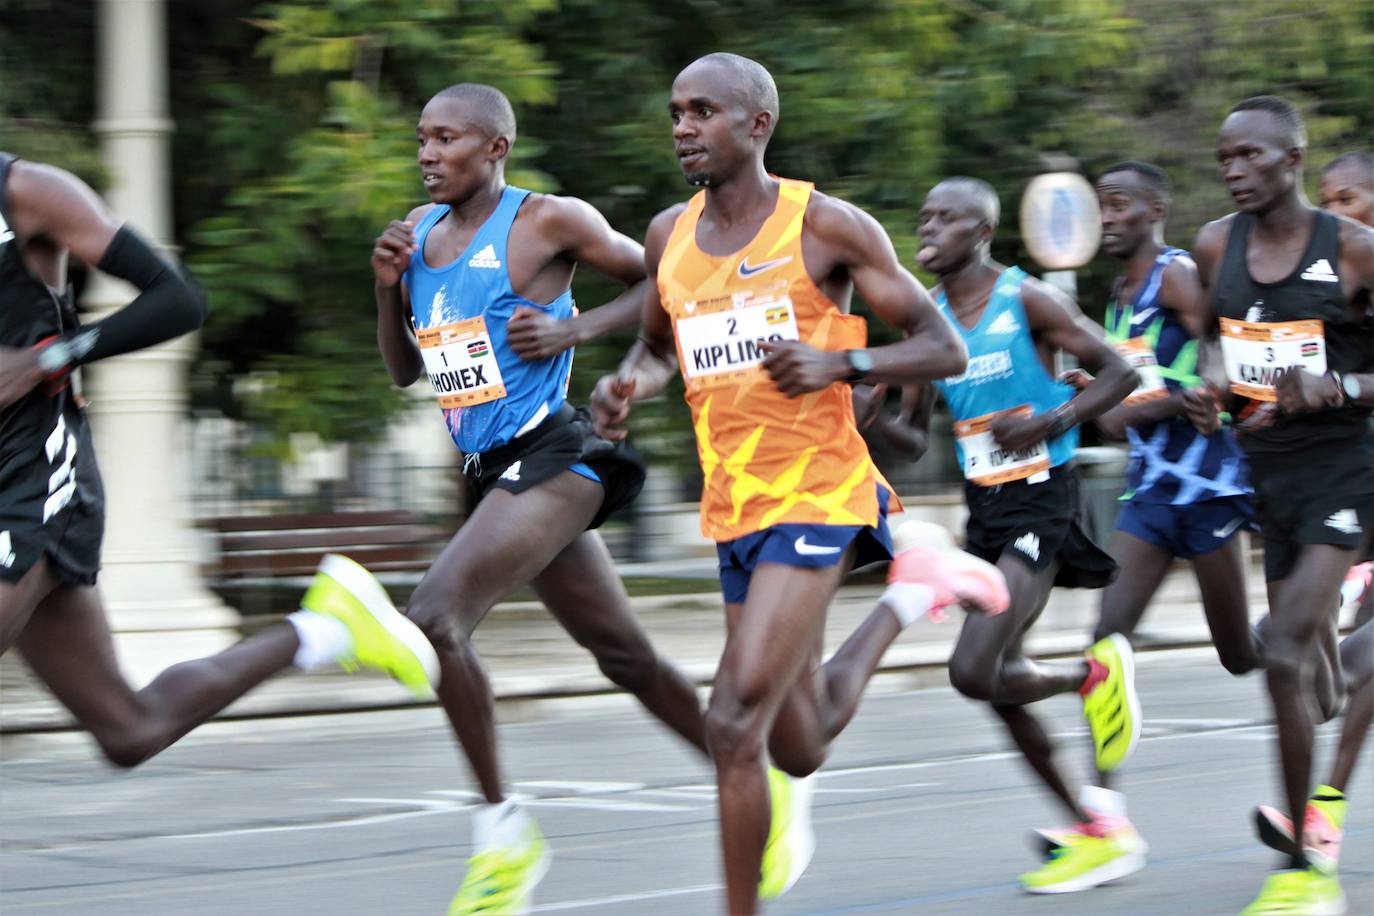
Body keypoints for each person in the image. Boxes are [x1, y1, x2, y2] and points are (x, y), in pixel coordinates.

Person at [589, 53, 1009, 915]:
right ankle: (909, 594)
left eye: (703, 111)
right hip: (734, 507)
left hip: (820, 493)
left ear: (757, 125)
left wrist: (841, 361)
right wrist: (626, 384)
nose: (682, 127)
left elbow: (944, 347)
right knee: (800, 743)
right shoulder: (669, 235)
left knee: (732, 719)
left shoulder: (825, 227)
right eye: (676, 111)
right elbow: (658, 348)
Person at [370, 83, 713, 915]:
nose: (425, 154)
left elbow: (668, 287)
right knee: (624, 656)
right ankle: (748, 767)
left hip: (556, 454)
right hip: (490, 472)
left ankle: (503, 833)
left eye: (445, 138)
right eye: (420, 139)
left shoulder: (547, 221)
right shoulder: (414, 237)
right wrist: (384, 289)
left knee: (433, 617)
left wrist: (574, 331)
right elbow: (404, 371)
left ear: (494, 148)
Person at [0, 156, 437, 770]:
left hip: (35, 477)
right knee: (129, 730)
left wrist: (48, 360)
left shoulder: (28, 192)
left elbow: (176, 298)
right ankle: (327, 628)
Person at [1023, 161, 1264, 886]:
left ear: (1156, 208)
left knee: (1241, 655)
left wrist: (1166, 401)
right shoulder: (1120, 293)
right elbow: (1134, 375)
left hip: (1211, 487)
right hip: (1153, 494)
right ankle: (1105, 817)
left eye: (1121, 203)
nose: (1109, 216)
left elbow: (1216, 359)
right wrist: (1090, 391)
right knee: (1106, 641)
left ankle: (1325, 628)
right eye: (1103, 205)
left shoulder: (1177, 273)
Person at [907, 176, 1144, 894]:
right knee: (998, 688)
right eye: (924, 216)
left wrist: (1048, 423)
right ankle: (1096, 828)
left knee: (974, 669)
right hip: (983, 509)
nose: (927, 228)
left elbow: (1120, 372)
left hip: (1044, 500)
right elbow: (908, 437)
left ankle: (1090, 676)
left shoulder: (1027, 298)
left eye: (944, 218)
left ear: (980, 232)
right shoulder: (927, 319)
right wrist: (857, 408)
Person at [1181, 99, 1374, 915]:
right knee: (1316, 679)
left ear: (1292, 157)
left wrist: (1342, 385)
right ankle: (1364, 656)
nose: (1232, 171)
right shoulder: (1215, 245)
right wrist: (1211, 394)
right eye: (1224, 158)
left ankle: (1304, 864)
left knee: (1286, 654)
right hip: (1267, 479)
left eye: (1249, 156)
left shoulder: (1357, 252)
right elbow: (1219, 351)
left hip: (1348, 472)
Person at [1249, 148, 1374, 896]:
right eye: (1326, 198)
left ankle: (1321, 814)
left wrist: (1343, 386)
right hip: (1342, 477)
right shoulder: (1324, 282)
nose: (1335, 211)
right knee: (1315, 654)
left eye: (1350, 198)